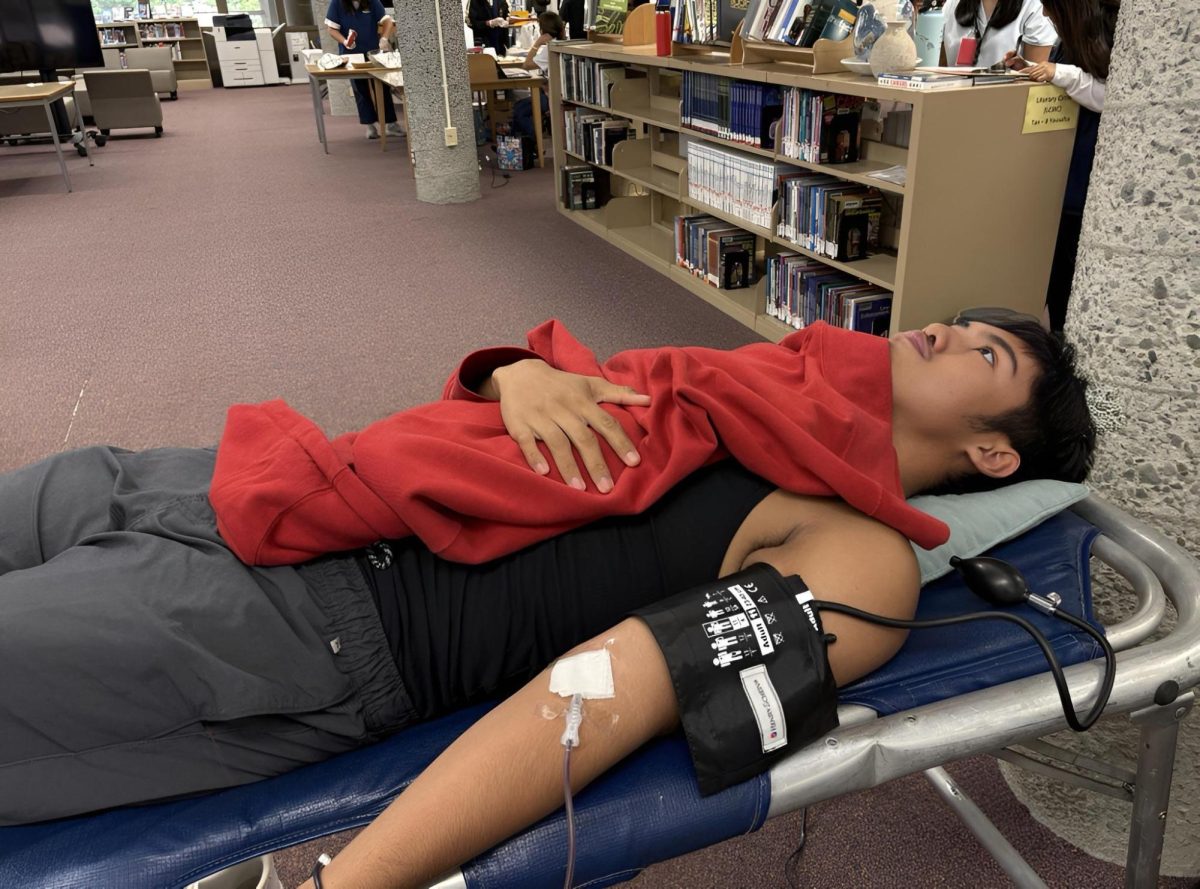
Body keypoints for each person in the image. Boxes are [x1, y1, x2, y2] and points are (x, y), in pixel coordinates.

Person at [0, 311, 1094, 846]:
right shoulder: (770, 385)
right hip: (239, 481)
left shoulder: (860, 558)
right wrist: (521, 374)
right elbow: (602, 391)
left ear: (994, 455)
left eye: (984, 355)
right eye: (966, 322)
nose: (947, 327)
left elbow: (599, 695)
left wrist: (353, 886)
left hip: (287, 629)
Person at [1005, 0, 1118, 331]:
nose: (1043, 14)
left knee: (1067, 291)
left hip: (1080, 190)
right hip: (1057, 180)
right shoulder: (1070, 41)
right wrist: (1028, 67)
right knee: (1051, 288)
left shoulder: (1107, 37)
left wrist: (1061, 73)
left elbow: (1109, 95)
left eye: (1047, 5)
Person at [324, 0, 403, 140]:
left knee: (383, 87)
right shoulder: (337, 3)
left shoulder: (372, 2)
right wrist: (344, 42)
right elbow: (331, 29)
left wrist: (384, 38)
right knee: (361, 90)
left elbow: (388, 21)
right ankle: (370, 125)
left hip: (373, 53)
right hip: (351, 55)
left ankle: (391, 124)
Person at [941, 0, 1057, 69]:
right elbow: (938, 69)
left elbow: (1034, 79)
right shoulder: (952, 4)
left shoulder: (1034, 6)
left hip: (1006, 103)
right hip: (953, 100)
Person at [512, 12, 564, 140]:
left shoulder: (549, 49)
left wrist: (537, 43)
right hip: (558, 92)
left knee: (520, 110)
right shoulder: (562, 43)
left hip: (553, 95)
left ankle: (531, 142)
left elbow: (527, 65)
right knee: (520, 106)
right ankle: (517, 143)